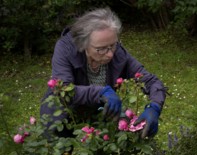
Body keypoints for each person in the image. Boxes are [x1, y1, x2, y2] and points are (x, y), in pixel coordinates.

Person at [40, 7, 167, 139]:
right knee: (64, 154)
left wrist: (155, 107)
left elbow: (150, 80)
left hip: (98, 114)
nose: (110, 54)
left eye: (113, 45)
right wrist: (100, 92)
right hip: (62, 116)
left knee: (118, 143)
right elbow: (64, 90)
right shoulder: (65, 49)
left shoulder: (117, 52)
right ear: (84, 44)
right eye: (101, 49)